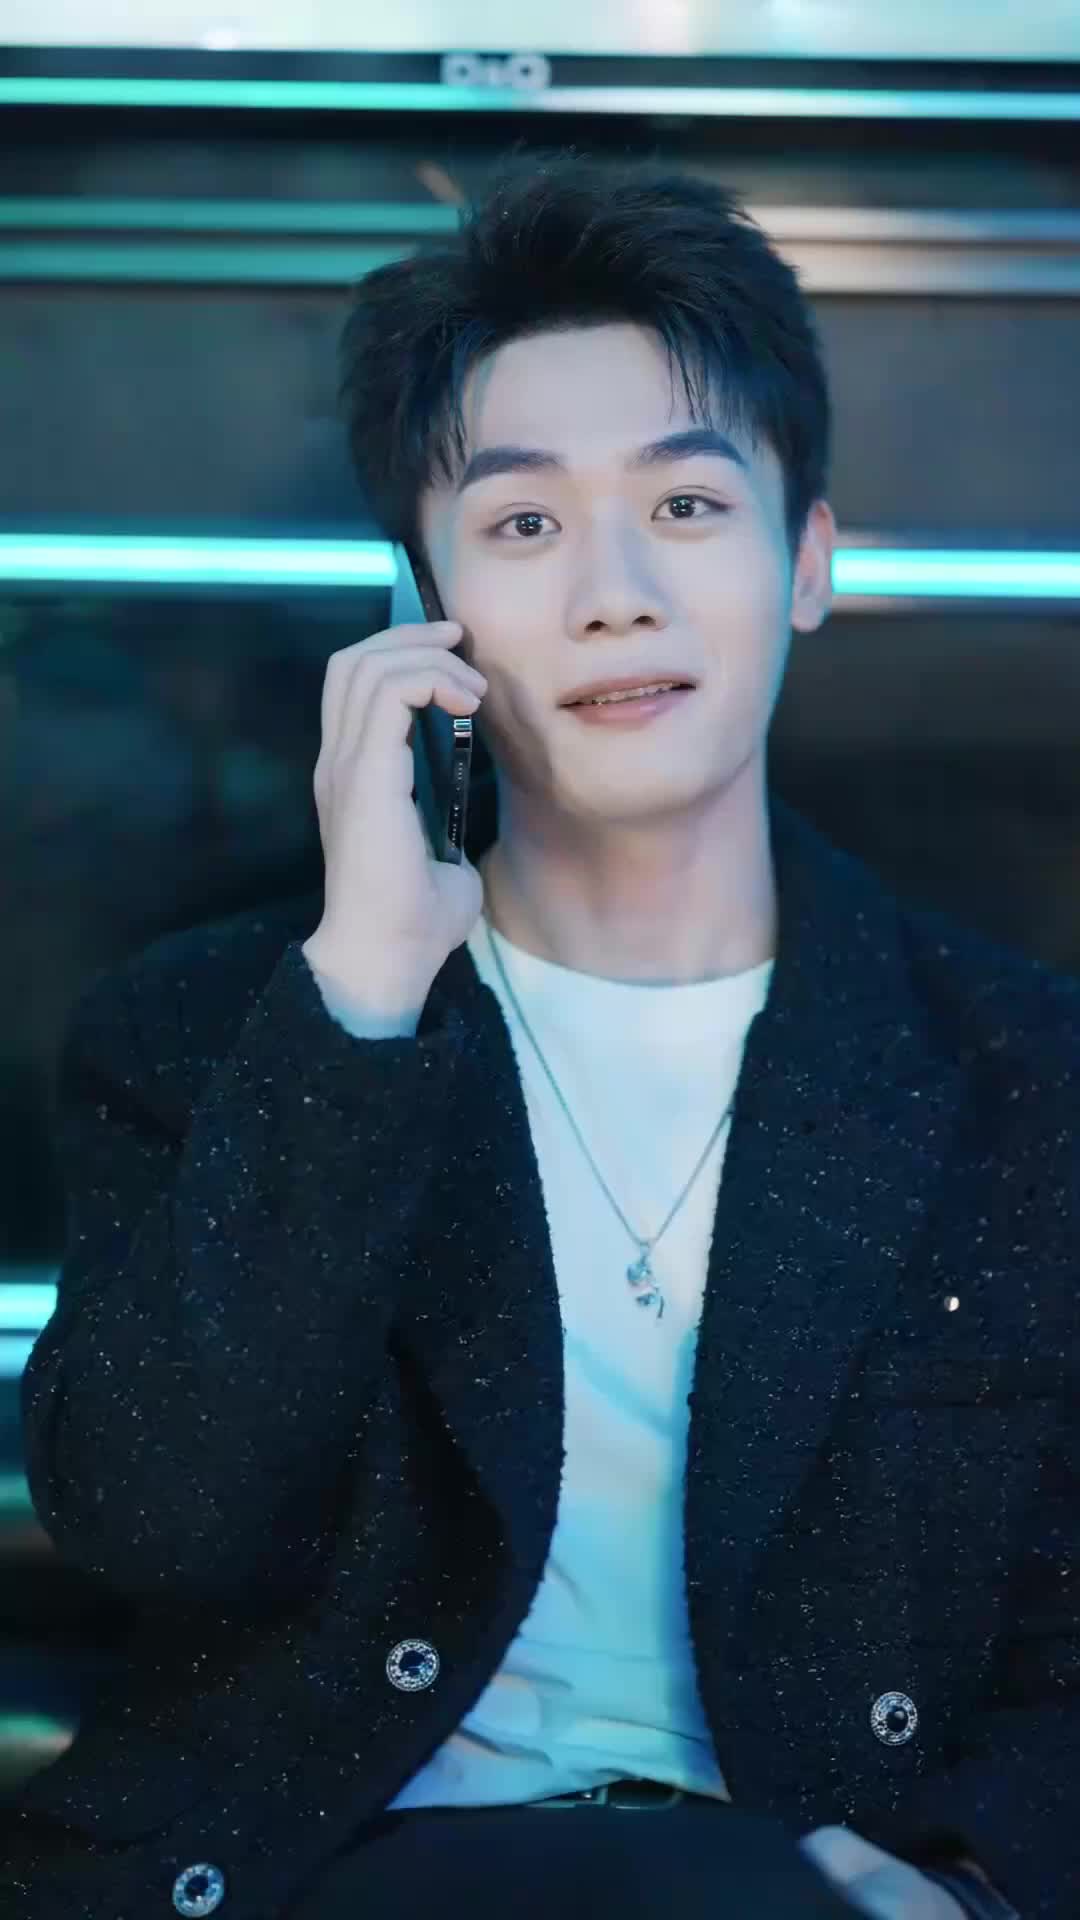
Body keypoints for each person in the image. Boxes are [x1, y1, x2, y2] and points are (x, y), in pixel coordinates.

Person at [5, 146, 1077, 1920]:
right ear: (417, 601)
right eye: (522, 524)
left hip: (803, 1881)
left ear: (808, 560)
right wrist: (360, 1001)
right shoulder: (199, 1033)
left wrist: (962, 1883)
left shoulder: (1023, 1073)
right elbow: (163, 1524)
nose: (611, 592)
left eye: (687, 503)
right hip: (329, 1878)